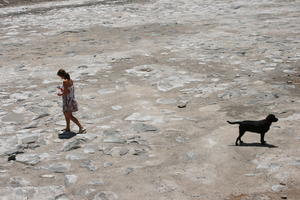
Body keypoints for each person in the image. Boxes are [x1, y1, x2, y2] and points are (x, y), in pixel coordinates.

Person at [57, 69, 86, 134]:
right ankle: (68, 128)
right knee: (65, 114)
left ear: (61, 75)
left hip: (68, 101)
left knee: (69, 115)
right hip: (71, 99)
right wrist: (61, 89)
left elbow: (67, 92)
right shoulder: (70, 80)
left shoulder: (65, 82)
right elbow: (68, 89)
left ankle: (81, 127)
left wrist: (60, 94)